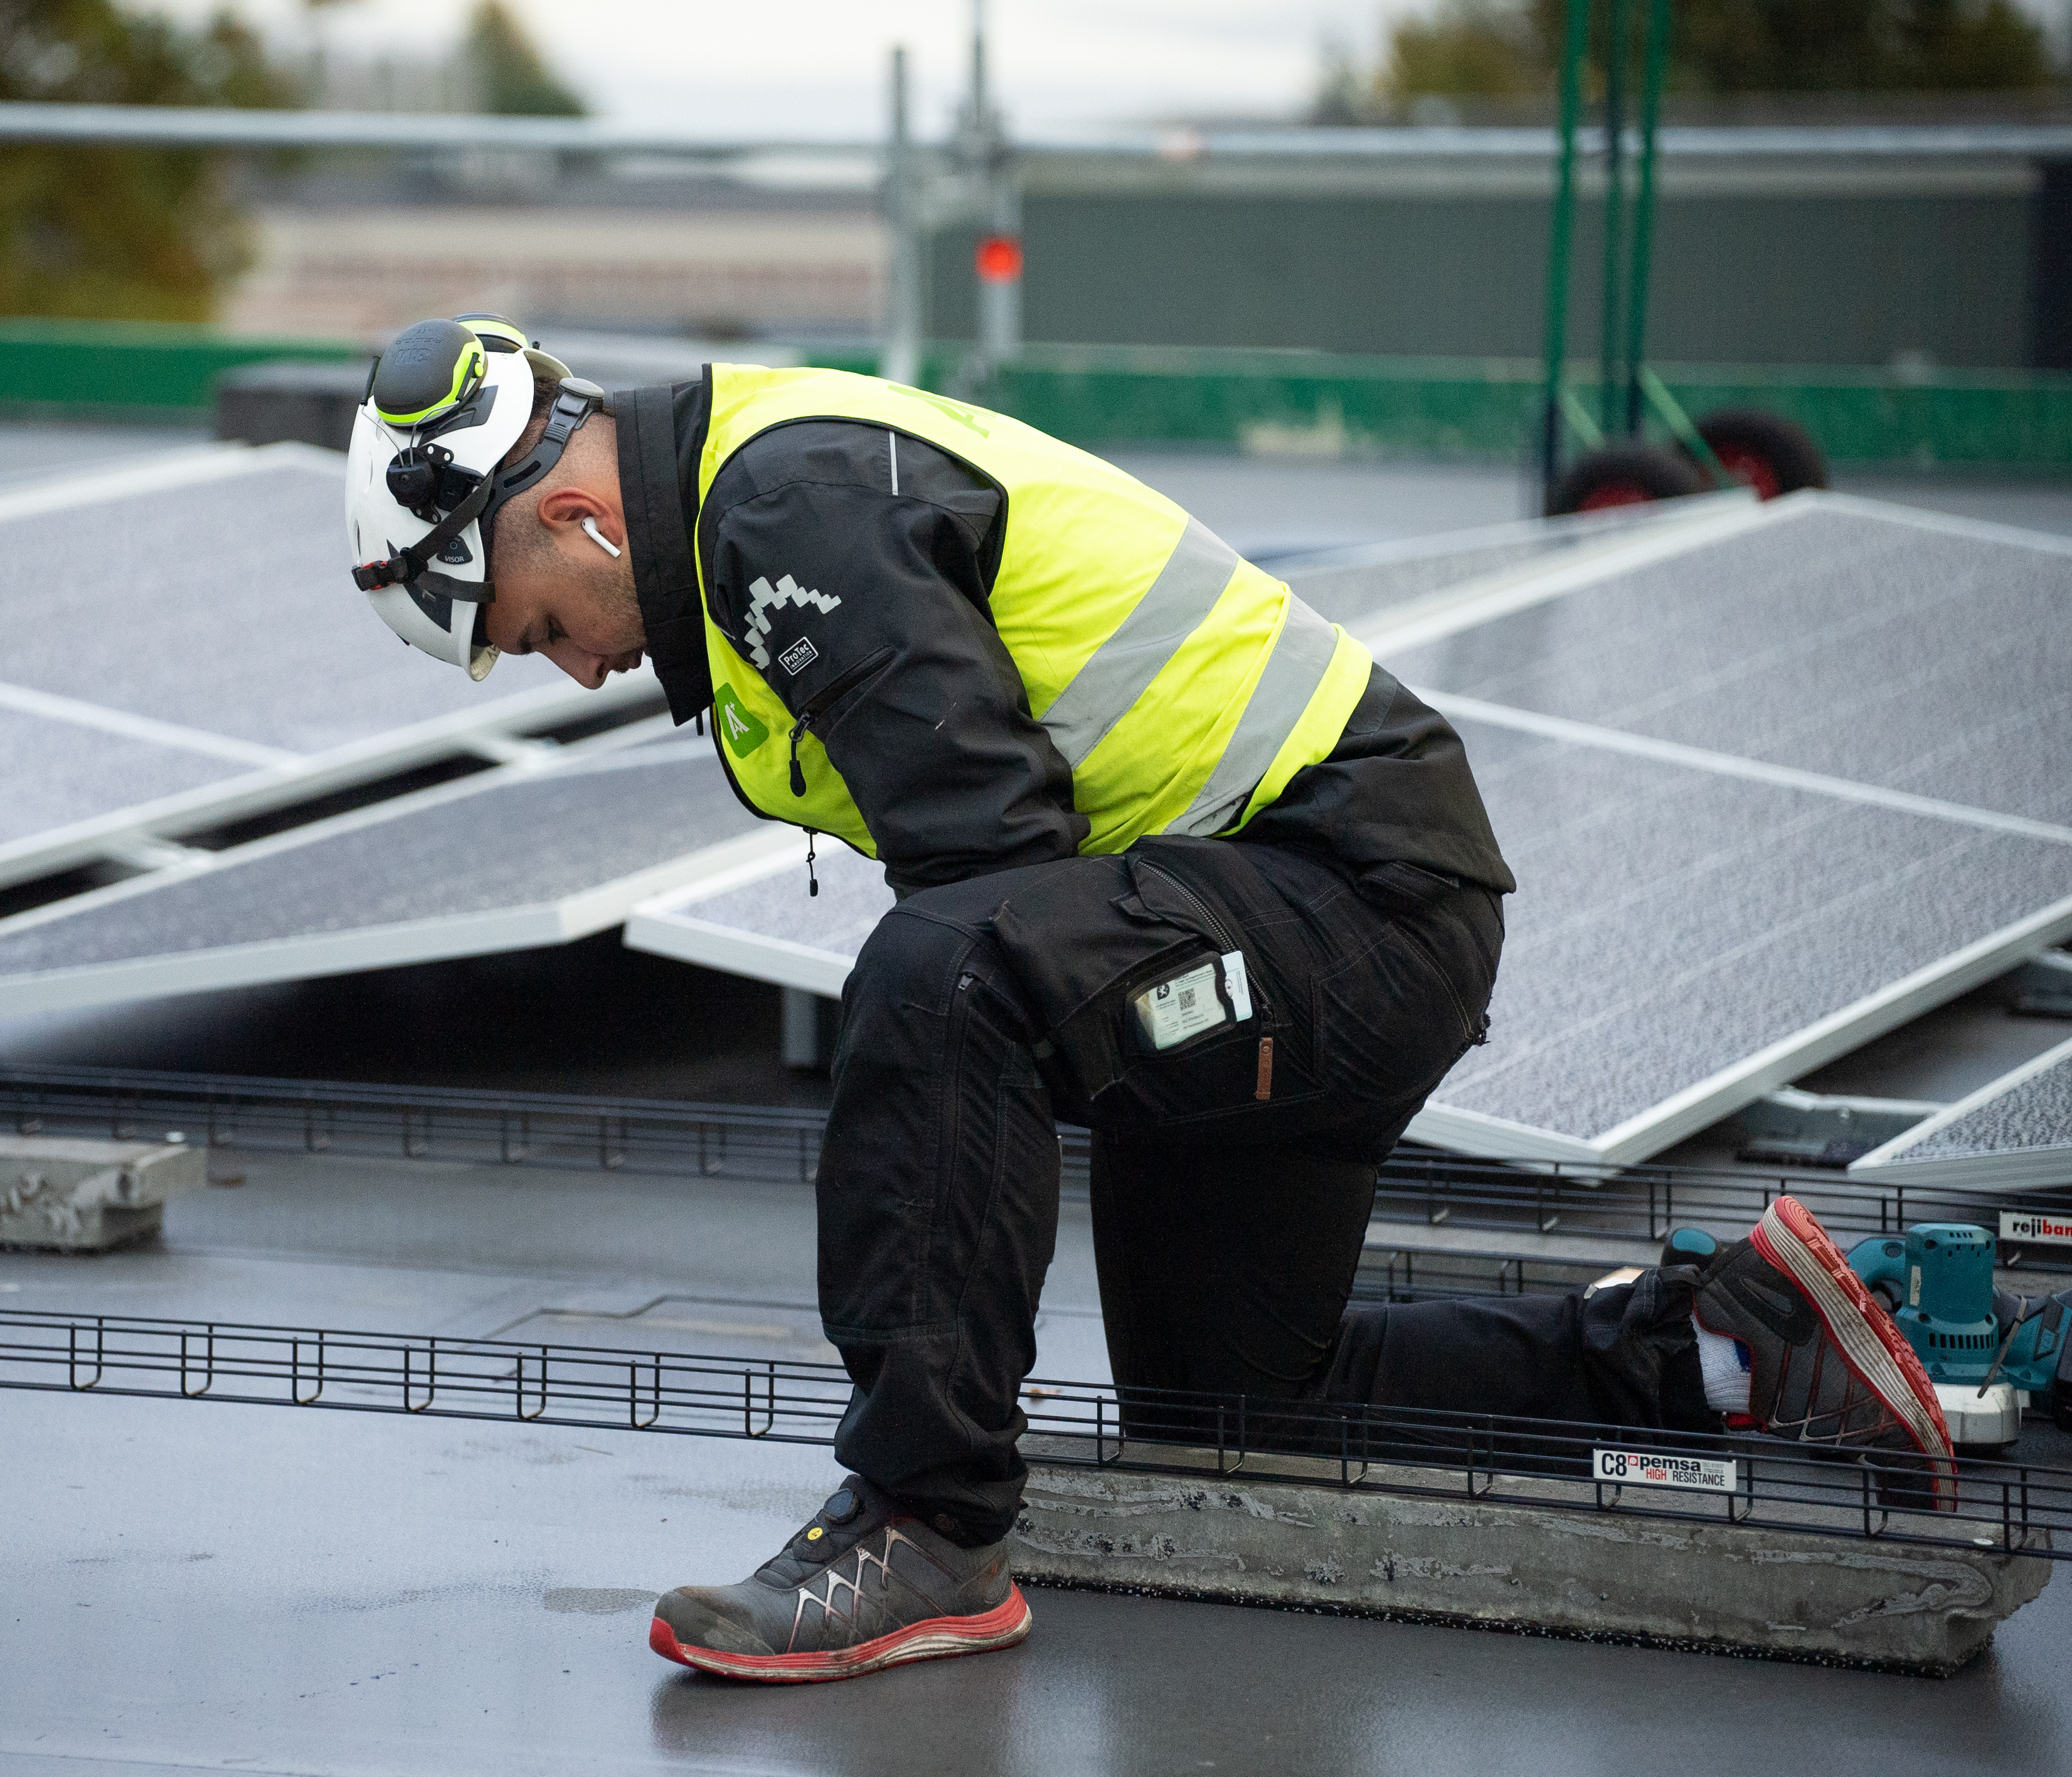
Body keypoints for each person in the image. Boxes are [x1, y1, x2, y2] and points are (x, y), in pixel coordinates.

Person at [341, 315, 1957, 1684]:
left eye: (537, 626)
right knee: (1236, 1407)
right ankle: (1718, 1350)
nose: (572, 670)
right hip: (1277, 921)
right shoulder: (758, 499)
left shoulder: (785, 510)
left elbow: (989, 887)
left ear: (572, 515)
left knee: (945, 971)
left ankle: (925, 1530)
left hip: (1353, 901)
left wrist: (926, 1290)